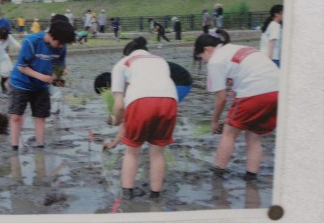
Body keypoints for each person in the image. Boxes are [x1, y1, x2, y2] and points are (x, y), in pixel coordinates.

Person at [194, 29, 279, 181]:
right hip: (278, 90)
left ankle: (218, 172)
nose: (205, 61)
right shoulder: (234, 48)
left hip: (254, 90)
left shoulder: (215, 60)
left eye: (202, 58)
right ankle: (251, 176)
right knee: (253, 136)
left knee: (229, 132)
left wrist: (214, 122)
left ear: (207, 50)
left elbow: (221, 98)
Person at [109, 37, 178, 199]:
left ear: (126, 54)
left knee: (132, 151)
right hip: (169, 101)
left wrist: (117, 120)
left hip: (140, 101)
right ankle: (155, 194)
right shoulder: (160, 60)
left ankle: (127, 193)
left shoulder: (122, 63)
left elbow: (119, 105)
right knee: (158, 152)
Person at [7, 20, 76, 150]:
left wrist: (59, 76)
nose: (61, 46)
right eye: (60, 42)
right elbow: (22, 67)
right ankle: (14, 147)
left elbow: (59, 66)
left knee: (41, 116)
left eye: (64, 44)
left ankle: (40, 146)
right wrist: (42, 77)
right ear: (51, 35)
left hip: (41, 87)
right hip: (21, 83)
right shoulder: (31, 42)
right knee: (16, 116)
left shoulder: (61, 47)